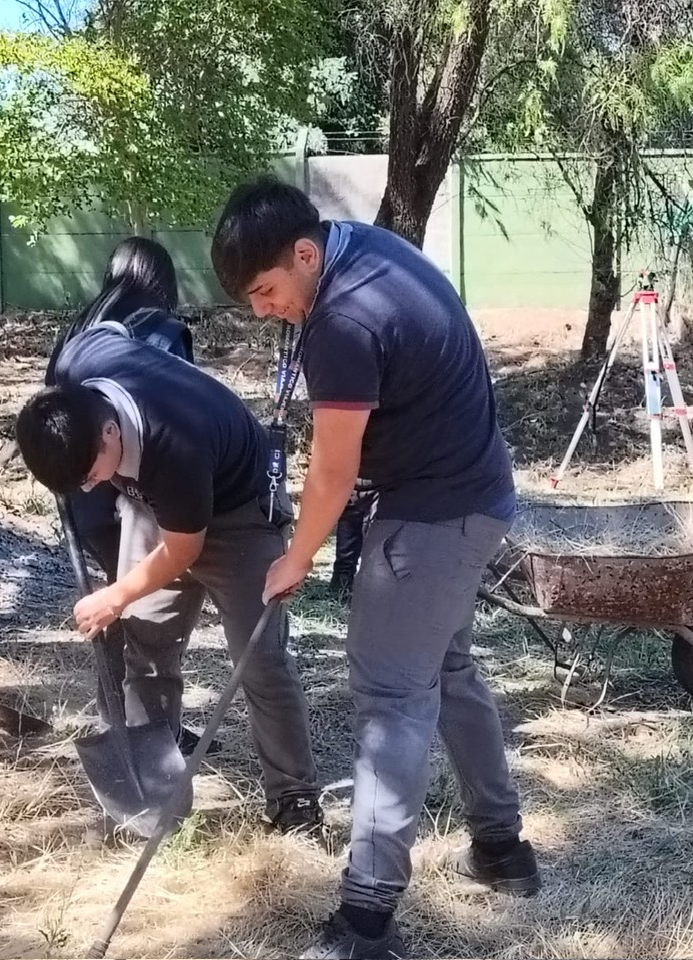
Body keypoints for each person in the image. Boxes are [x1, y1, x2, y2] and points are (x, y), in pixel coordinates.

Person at [211, 177, 539, 960]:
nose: (264, 311)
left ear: (303, 253)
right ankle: (501, 849)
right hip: (474, 493)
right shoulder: (365, 247)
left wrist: (295, 557)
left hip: (434, 515)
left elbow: (332, 472)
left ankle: (365, 922)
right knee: (446, 667)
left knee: (391, 695)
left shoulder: (343, 320)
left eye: (266, 292)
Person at [15, 322, 323, 834]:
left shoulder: (173, 439)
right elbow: (110, 327)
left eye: (90, 475)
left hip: (237, 514)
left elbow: (183, 549)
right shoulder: (78, 365)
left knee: (260, 659)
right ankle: (154, 794)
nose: (89, 488)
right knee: (147, 648)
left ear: (109, 432)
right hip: (153, 504)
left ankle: (294, 798)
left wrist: (116, 595)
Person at [41, 237, 215, 756]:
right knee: (143, 612)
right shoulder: (159, 331)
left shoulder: (80, 329)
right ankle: (148, 730)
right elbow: (176, 410)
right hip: (136, 492)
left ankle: (124, 720)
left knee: (115, 605)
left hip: (85, 495)